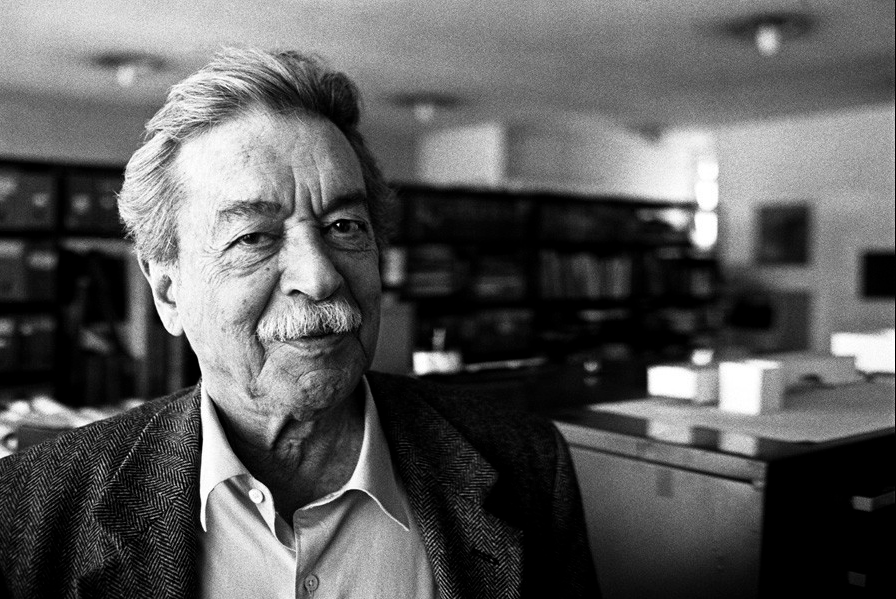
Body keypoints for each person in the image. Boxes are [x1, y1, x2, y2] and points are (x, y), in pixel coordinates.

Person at [0, 48, 599, 598]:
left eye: (344, 227)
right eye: (253, 237)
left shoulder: (525, 465)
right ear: (167, 291)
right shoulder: (27, 510)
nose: (318, 277)